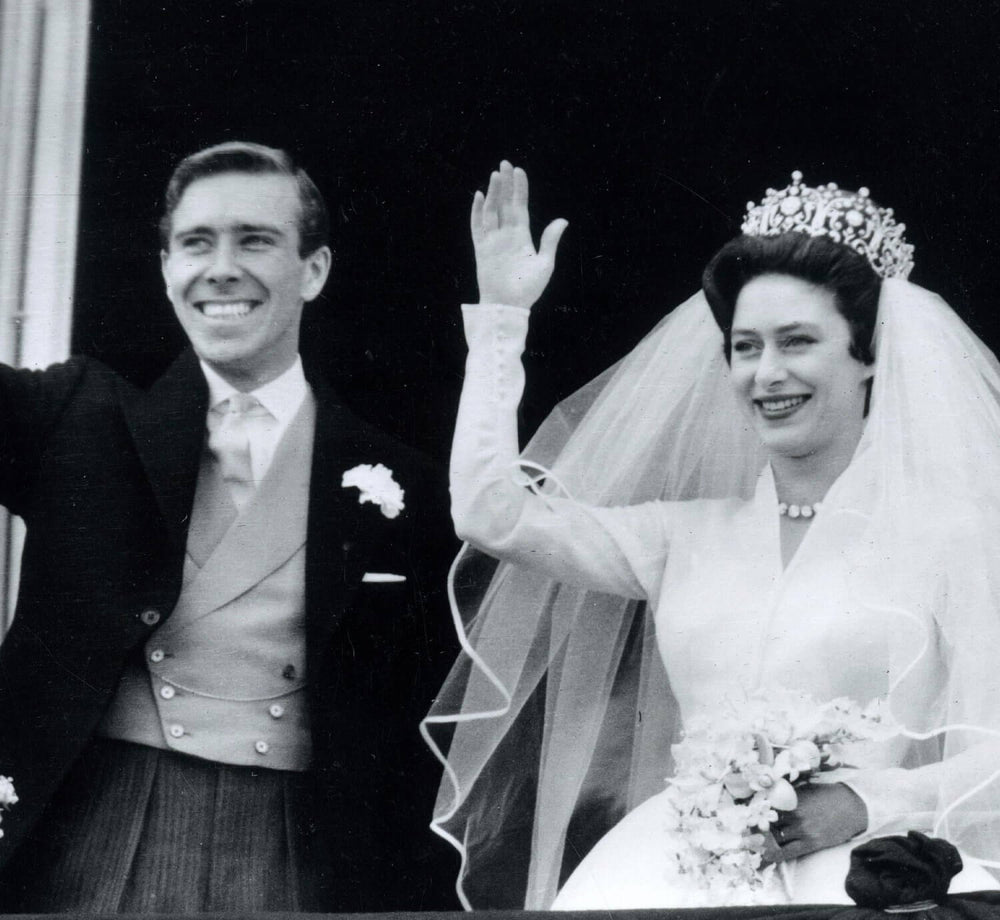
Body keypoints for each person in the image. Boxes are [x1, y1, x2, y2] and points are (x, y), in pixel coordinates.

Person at [422, 161, 1000, 908]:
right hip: (670, 867)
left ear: (869, 357)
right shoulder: (681, 536)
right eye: (746, 345)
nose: (767, 373)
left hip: (866, 874)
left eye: (797, 342)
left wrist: (867, 802)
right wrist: (501, 321)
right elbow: (491, 514)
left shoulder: (949, 537)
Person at [0, 141, 456, 912]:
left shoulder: (394, 473)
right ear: (166, 268)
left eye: (255, 240)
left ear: (313, 270)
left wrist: (506, 319)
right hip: (95, 832)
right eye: (195, 243)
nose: (221, 268)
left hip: (294, 850)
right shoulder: (80, 414)